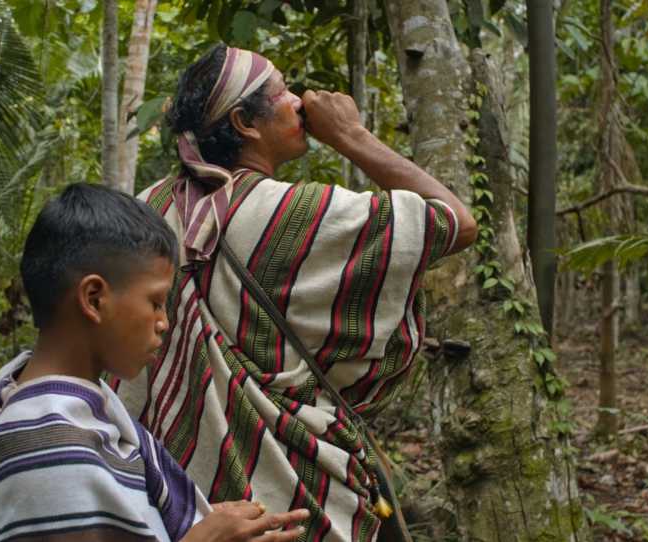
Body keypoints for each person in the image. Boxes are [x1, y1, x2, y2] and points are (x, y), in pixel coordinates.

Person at [114, 44, 478, 541]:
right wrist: (351, 135)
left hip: (175, 497)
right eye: (283, 90)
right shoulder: (295, 211)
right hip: (299, 496)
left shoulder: (143, 210)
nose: (301, 101)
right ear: (244, 121)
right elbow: (455, 221)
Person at [0, 183, 309, 542]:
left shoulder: (20, 388)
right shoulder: (45, 449)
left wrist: (186, 521)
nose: (164, 322)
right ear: (94, 299)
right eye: (155, 302)